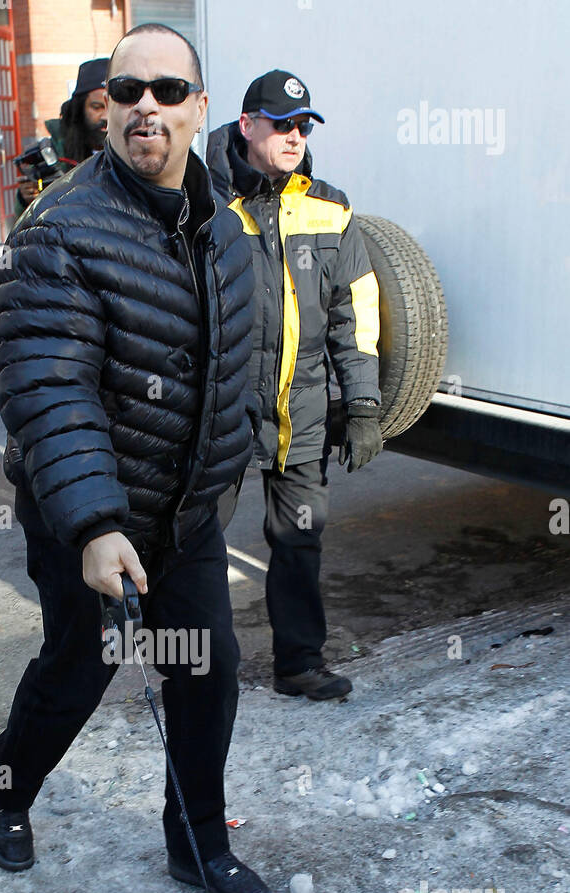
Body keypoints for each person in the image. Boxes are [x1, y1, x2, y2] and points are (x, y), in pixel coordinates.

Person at [0, 23, 274, 893]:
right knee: (83, 663)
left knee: (206, 667)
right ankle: (7, 789)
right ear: (102, 105)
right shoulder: (58, 230)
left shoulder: (224, 223)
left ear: (199, 109)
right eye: (128, 89)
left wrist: (244, 451)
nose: (147, 104)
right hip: (88, 513)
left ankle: (197, 841)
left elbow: (242, 352)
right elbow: (45, 383)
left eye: (169, 90)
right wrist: (95, 523)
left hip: (185, 513)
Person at [207, 70, 383, 701]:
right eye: (282, 123)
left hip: (301, 408)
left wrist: (362, 403)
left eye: (304, 125)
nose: (295, 136)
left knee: (299, 541)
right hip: (221, 407)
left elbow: (353, 312)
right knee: (199, 544)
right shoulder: (204, 201)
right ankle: (198, 670)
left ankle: (299, 664)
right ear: (246, 124)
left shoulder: (330, 206)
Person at [16, 58, 108, 209]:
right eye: (97, 107)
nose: (105, 116)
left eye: (112, 106)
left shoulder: (136, 152)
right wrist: (26, 200)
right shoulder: (55, 155)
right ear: (79, 109)